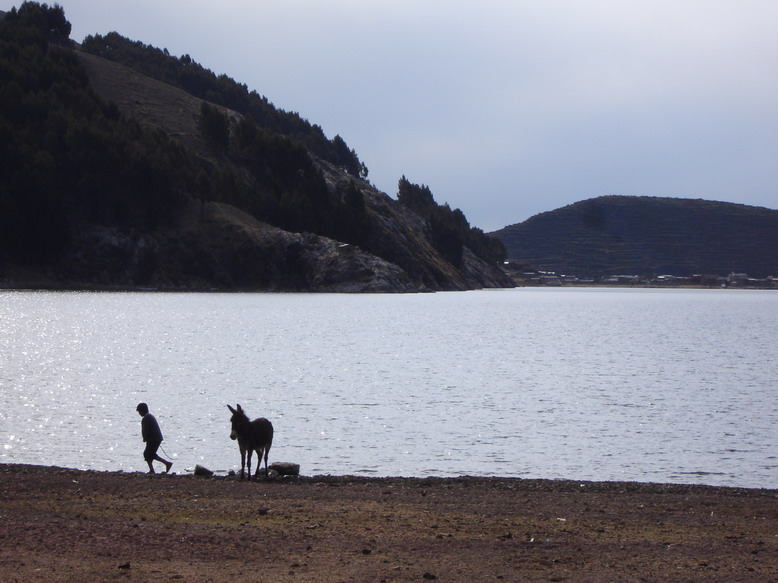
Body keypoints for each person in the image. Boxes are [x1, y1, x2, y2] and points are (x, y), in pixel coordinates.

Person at [136, 403, 173, 474]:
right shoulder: (149, 416)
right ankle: (163, 465)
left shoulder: (146, 418)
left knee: (148, 454)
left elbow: (145, 430)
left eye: (139, 411)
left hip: (154, 439)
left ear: (142, 411)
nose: (139, 413)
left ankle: (164, 465)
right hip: (156, 438)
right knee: (149, 454)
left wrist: (145, 438)